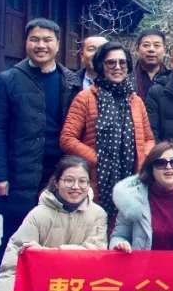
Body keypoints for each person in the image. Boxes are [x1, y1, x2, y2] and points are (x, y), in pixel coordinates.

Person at [0, 18, 82, 276]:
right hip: (20, 173)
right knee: (14, 237)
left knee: (56, 238)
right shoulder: (8, 80)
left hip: (59, 173)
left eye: (47, 40)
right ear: (25, 43)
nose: (41, 45)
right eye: (35, 39)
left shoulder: (70, 80)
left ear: (57, 44)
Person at [0, 156, 107, 291]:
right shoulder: (39, 214)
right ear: (56, 182)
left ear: (89, 184)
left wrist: (45, 253)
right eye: (69, 180)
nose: (76, 187)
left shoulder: (97, 214)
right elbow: (12, 263)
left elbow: (95, 253)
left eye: (82, 181)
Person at [60, 42, 156, 219]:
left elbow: (149, 138)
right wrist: (98, 159)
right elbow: (67, 138)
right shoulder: (85, 98)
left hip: (131, 179)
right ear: (100, 66)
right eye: (111, 62)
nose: (117, 67)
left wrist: (142, 158)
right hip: (97, 177)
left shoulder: (135, 101)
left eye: (122, 62)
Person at [110, 142, 173, 253]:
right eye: (160, 163)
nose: (168, 167)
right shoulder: (132, 199)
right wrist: (120, 245)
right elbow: (118, 237)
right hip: (145, 264)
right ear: (151, 170)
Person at [132, 29, 169, 101]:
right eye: (146, 45)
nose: (151, 49)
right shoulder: (126, 78)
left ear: (164, 50)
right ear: (137, 49)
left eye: (157, 45)